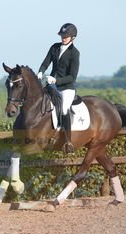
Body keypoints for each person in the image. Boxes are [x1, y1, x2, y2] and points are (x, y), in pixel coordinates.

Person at [37, 23, 80, 154]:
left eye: (66, 36)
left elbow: (72, 76)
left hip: (66, 87)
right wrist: (41, 72)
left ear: (73, 38)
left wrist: (56, 80)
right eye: (62, 35)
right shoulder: (55, 47)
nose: (63, 38)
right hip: (52, 84)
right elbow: (46, 62)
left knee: (64, 109)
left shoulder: (74, 53)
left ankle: (68, 142)